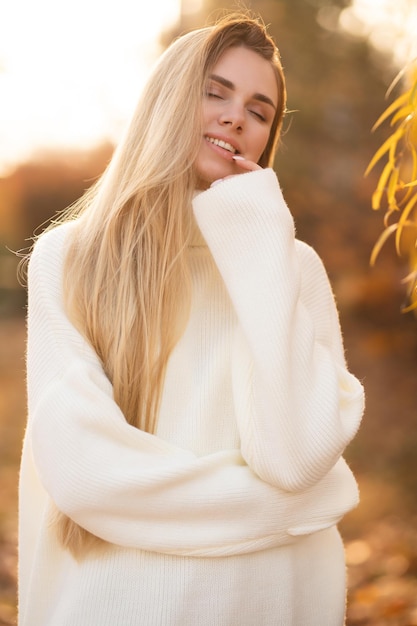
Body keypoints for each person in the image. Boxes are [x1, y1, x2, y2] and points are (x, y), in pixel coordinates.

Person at [18, 11, 365, 626]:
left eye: (259, 111)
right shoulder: (71, 259)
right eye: (215, 93)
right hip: (121, 605)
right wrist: (290, 509)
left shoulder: (292, 267)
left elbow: (292, 457)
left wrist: (259, 242)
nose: (237, 117)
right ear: (167, 101)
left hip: (271, 604)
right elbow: (86, 473)